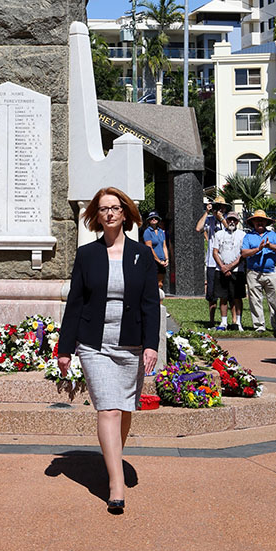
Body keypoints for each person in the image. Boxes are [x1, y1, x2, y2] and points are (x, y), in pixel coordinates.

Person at [57, 187, 159, 514]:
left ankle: (112, 456)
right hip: (94, 343)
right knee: (109, 409)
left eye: (116, 208)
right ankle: (115, 484)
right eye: (104, 209)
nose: (110, 214)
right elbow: (74, 304)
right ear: (97, 216)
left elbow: (150, 304)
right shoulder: (87, 255)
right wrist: (65, 349)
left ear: (126, 214)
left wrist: (151, 345)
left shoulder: (142, 255)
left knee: (125, 408)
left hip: (130, 342)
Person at [240, 209, 276, 336]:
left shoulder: (273, 235)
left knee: (274, 300)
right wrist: (258, 249)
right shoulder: (248, 236)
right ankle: (259, 326)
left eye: (262, 220)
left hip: (270, 272)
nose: (260, 222)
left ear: (266, 222)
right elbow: (244, 253)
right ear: (253, 222)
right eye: (257, 220)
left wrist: (270, 246)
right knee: (255, 300)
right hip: (253, 273)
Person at [196, 199, 227, 327]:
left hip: (224, 261)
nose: (218, 209)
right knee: (211, 294)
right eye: (216, 206)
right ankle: (212, 320)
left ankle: (224, 321)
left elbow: (230, 230)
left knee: (224, 293)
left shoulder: (227, 219)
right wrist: (207, 212)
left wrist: (221, 218)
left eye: (221, 207)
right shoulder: (209, 220)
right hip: (211, 262)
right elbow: (198, 228)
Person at [212, 211, 245, 332]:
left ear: (237, 222)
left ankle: (238, 322)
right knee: (223, 297)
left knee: (237, 297)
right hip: (221, 270)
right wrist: (223, 267)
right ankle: (224, 322)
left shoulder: (242, 235)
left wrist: (230, 266)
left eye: (234, 220)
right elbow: (215, 252)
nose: (232, 222)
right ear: (226, 220)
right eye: (230, 219)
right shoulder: (219, 234)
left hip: (237, 270)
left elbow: (243, 254)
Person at [142, 211, 168, 290]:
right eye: (151, 218)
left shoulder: (161, 231)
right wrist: (158, 261)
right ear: (149, 221)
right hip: (153, 261)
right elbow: (149, 248)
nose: (154, 219)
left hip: (162, 261)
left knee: (160, 283)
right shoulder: (147, 232)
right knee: (153, 283)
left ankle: (159, 300)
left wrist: (166, 259)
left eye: (155, 218)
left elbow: (164, 246)